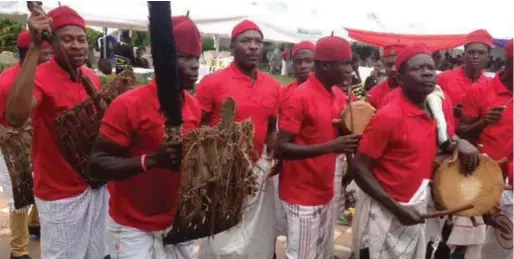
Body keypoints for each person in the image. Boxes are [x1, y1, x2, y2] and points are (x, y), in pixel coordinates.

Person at [88, 15, 202, 259]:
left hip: (175, 221)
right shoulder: (129, 105)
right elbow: (96, 165)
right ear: (163, 60)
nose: (194, 66)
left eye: (196, 58)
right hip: (131, 225)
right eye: (184, 57)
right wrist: (149, 161)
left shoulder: (193, 107)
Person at [351, 45, 480, 259]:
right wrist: (396, 208)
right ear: (400, 79)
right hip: (386, 212)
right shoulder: (389, 116)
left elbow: (444, 141)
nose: (428, 73)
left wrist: (459, 143)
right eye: (418, 68)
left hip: (414, 206)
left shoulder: (433, 110)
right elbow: (358, 167)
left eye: (430, 67)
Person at [4, 6, 109, 259]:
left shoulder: (90, 78)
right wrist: (35, 49)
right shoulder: (41, 76)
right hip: (60, 193)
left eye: (81, 39)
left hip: (95, 187)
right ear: (53, 42)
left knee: (97, 254)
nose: (77, 46)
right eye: (67, 39)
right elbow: (15, 118)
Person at [195, 19, 281, 259]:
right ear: (232, 47)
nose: (254, 46)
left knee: (257, 236)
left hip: (257, 171)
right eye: (246, 41)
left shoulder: (273, 86)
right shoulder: (212, 83)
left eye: (258, 41)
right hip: (220, 172)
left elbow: (272, 126)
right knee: (220, 235)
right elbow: (197, 128)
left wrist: (269, 157)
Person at [275, 35, 360, 259]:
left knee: (322, 253)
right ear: (325, 65)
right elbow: (281, 148)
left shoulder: (338, 95)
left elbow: (341, 135)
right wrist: (332, 145)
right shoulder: (299, 97)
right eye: (345, 63)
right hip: (301, 193)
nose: (350, 69)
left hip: (325, 190)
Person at [460, 40, 513, 259]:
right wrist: (483, 123)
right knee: (475, 248)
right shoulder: (480, 90)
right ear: (509, 64)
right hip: (482, 180)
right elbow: (462, 133)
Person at [0, 29, 50, 259]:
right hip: (10, 144)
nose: (50, 55)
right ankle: (18, 251)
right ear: (33, 51)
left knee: (40, 184)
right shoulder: (12, 81)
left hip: (35, 140)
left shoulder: (39, 75)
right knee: (18, 196)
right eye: (46, 51)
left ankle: (36, 223)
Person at [438, 29, 492, 129]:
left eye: (481, 53)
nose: (475, 56)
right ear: (464, 54)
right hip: (444, 138)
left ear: (488, 57)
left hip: (474, 140)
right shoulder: (444, 78)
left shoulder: (490, 85)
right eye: (471, 52)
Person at [366, 44, 405, 108]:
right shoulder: (373, 94)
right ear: (384, 65)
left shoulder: (416, 92)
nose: (393, 69)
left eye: (398, 64)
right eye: (389, 65)